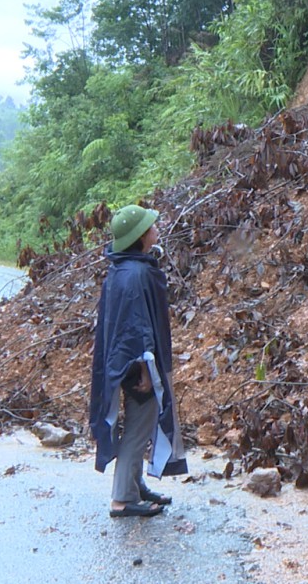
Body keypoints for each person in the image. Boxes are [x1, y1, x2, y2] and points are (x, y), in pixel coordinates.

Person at [89, 204, 188, 517]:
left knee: (139, 424)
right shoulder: (135, 273)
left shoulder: (124, 268)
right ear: (141, 236)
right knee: (138, 425)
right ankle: (122, 498)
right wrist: (146, 370)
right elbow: (136, 327)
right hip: (137, 362)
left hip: (125, 359)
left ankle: (134, 486)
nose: (157, 229)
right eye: (152, 226)